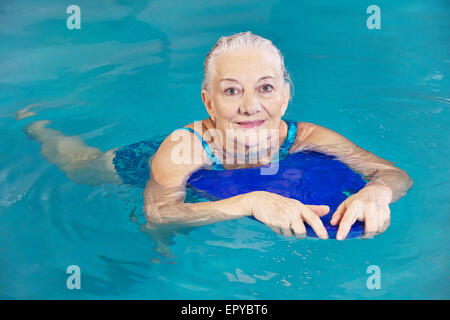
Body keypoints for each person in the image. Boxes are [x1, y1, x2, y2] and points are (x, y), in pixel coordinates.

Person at [23, 32, 413, 241]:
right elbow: (158, 214)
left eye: (265, 88)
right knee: (82, 167)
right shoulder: (181, 149)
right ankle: (37, 126)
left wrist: (375, 193)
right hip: (160, 161)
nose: (250, 107)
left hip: (221, 173)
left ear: (286, 95)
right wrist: (251, 202)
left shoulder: (307, 137)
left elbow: (394, 174)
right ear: (209, 102)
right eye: (231, 91)